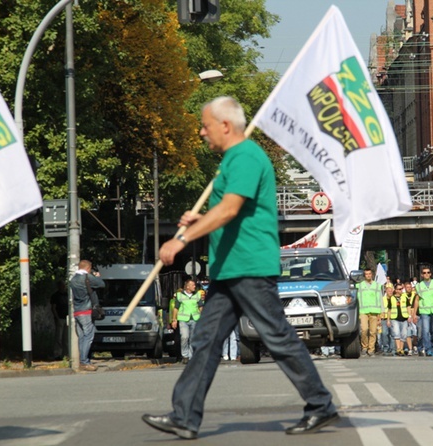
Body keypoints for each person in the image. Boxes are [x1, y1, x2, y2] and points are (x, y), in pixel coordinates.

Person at [142, 97, 338, 439]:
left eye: (205, 125)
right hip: (230, 269)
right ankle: (185, 417)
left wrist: (182, 238)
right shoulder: (233, 160)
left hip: (248, 265)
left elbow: (230, 210)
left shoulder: (246, 156)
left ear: (225, 125)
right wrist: (203, 218)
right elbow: (233, 215)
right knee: (204, 341)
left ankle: (321, 405)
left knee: (275, 335)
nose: (202, 132)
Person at [69, 260, 104, 371]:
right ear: (88, 268)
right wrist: (97, 276)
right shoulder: (87, 277)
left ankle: (83, 360)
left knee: (82, 337)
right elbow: (102, 284)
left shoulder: (73, 279)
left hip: (77, 311)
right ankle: (84, 362)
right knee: (88, 336)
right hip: (86, 311)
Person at [413, 267, 433, 357]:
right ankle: (428, 349)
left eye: (428, 272)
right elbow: (416, 300)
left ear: (431, 274)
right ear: (421, 275)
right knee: (425, 331)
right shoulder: (419, 286)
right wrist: (414, 314)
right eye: (424, 273)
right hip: (424, 311)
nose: (426, 274)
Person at [170, 279, 204, 365]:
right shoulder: (179, 295)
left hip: (195, 319)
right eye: (193, 285)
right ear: (187, 286)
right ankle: (185, 355)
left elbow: (200, 307)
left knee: (193, 339)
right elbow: (175, 308)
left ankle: (190, 356)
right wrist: (174, 320)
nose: (194, 286)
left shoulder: (197, 295)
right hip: (183, 319)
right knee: (184, 337)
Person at [356, 268, 383, 356]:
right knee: (364, 330)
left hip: (374, 311)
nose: (368, 275)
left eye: (369, 274)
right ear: (364, 275)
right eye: (366, 274)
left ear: (372, 275)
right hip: (363, 311)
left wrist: (381, 311)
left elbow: (380, 299)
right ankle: (364, 347)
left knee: (373, 331)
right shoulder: (359, 286)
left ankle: (371, 349)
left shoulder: (377, 285)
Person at [50, 280, 69, 360]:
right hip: (60, 318)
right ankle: (57, 354)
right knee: (59, 337)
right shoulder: (55, 296)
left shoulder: (67, 295)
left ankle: (66, 354)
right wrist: (57, 317)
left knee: (66, 338)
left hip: (67, 317)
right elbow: (53, 308)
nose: (63, 287)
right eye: (62, 285)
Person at [395, 282, 414, 356]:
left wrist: (409, 316)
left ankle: (402, 349)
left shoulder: (404, 297)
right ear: (395, 290)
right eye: (399, 289)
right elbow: (389, 309)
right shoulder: (392, 298)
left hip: (404, 318)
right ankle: (398, 349)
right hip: (395, 318)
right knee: (397, 334)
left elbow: (408, 307)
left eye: (401, 289)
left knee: (404, 334)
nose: (400, 290)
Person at [381, 284, 398, 356]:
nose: (390, 291)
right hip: (384, 319)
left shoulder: (394, 299)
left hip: (393, 318)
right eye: (388, 290)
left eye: (391, 290)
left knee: (393, 334)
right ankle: (386, 348)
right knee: (384, 334)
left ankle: (392, 349)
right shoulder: (382, 299)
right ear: (386, 290)